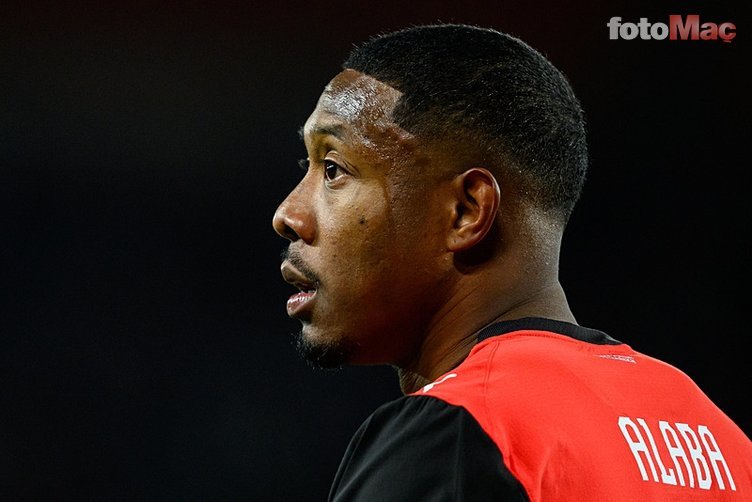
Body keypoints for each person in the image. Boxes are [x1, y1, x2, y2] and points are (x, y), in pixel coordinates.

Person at [272, 23, 751, 501]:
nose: (288, 215)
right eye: (306, 168)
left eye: (333, 169)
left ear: (465, 211)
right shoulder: (723, 442)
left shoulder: (457, 432)